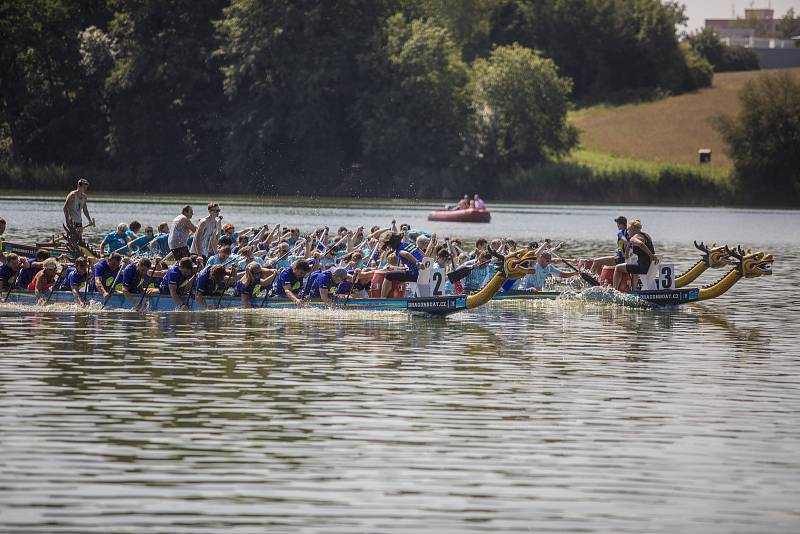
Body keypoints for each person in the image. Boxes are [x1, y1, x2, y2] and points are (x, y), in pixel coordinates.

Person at [613, 219, 657, 290]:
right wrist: (627, 252)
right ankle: (634, 288)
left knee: (618, 268)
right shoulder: (646, 235)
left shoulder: (634, 238)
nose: (627, 231)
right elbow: (633, 243)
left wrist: (651, 255)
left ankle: (614, 290)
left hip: (643, 268)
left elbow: (640, 244)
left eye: (629, 229)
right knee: (632, 265)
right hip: (650, 267)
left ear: (633, 229)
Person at [379, 232, 423, 298]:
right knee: (400, 274)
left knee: (388, 275)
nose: (389, 247)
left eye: (389, 245)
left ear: (392, 244)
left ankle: (382, 299)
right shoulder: (408, 244)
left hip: (415, 274)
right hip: (424, 273)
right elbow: (421, 253)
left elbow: (406, 254)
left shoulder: (398, 250)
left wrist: (417, 263)